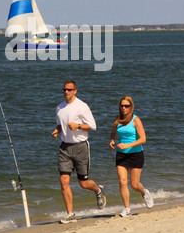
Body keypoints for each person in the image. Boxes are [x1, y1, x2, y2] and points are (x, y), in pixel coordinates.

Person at [52, 80, 106, 223]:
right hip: (64, 147)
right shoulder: (59, 108)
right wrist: (57, 130)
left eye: (69, 90)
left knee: (83, 183)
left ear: (75, 91)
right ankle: (70, 214)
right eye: (64, 89)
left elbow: (92, 126)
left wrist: (78, 126)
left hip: (81, 146)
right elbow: (60, 123)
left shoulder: (82, 106)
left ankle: (98, 190)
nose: (66, 92)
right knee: (64, 180)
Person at [109, 96, 153, 217]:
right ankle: (127, 209)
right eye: (122, 105)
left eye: (126, 106)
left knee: (134, 184)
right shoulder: (117, 120)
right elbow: (113, 133)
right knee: (122, 182)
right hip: (121, 155)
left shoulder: (135, 120)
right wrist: (112, 141)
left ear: (131, 107)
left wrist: (128, 145)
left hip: (136, 154)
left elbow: (143, 139)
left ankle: (144, 193)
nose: (124, 108)